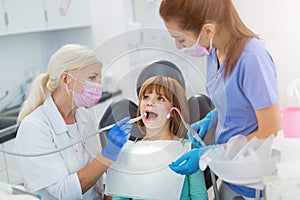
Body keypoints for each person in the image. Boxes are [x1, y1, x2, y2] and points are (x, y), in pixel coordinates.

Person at [159, 0, 281, 199]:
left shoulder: (252, 58)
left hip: (254, 181)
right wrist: (212, 118)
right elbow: (235, 105)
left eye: (180, 40)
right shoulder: (213, 52)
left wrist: (211, 153)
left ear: (208, 30)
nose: (178, 47)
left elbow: (271, 129)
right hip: (230, 174)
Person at [14, 44, 132, 200]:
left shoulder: (84, 116)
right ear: (66, 79)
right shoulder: (34, 128)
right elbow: (65, 192)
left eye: (99, 77)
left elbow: (97, 180)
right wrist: (108, 154)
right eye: (92, 77)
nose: (99, 84)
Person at [107, 76, 208, 199]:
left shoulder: (188, 149)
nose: (150, 102)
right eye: (146, 97)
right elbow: (120, 197)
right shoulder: (129, 151)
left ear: (174, 110)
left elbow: (199, 197)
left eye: (160, 98)